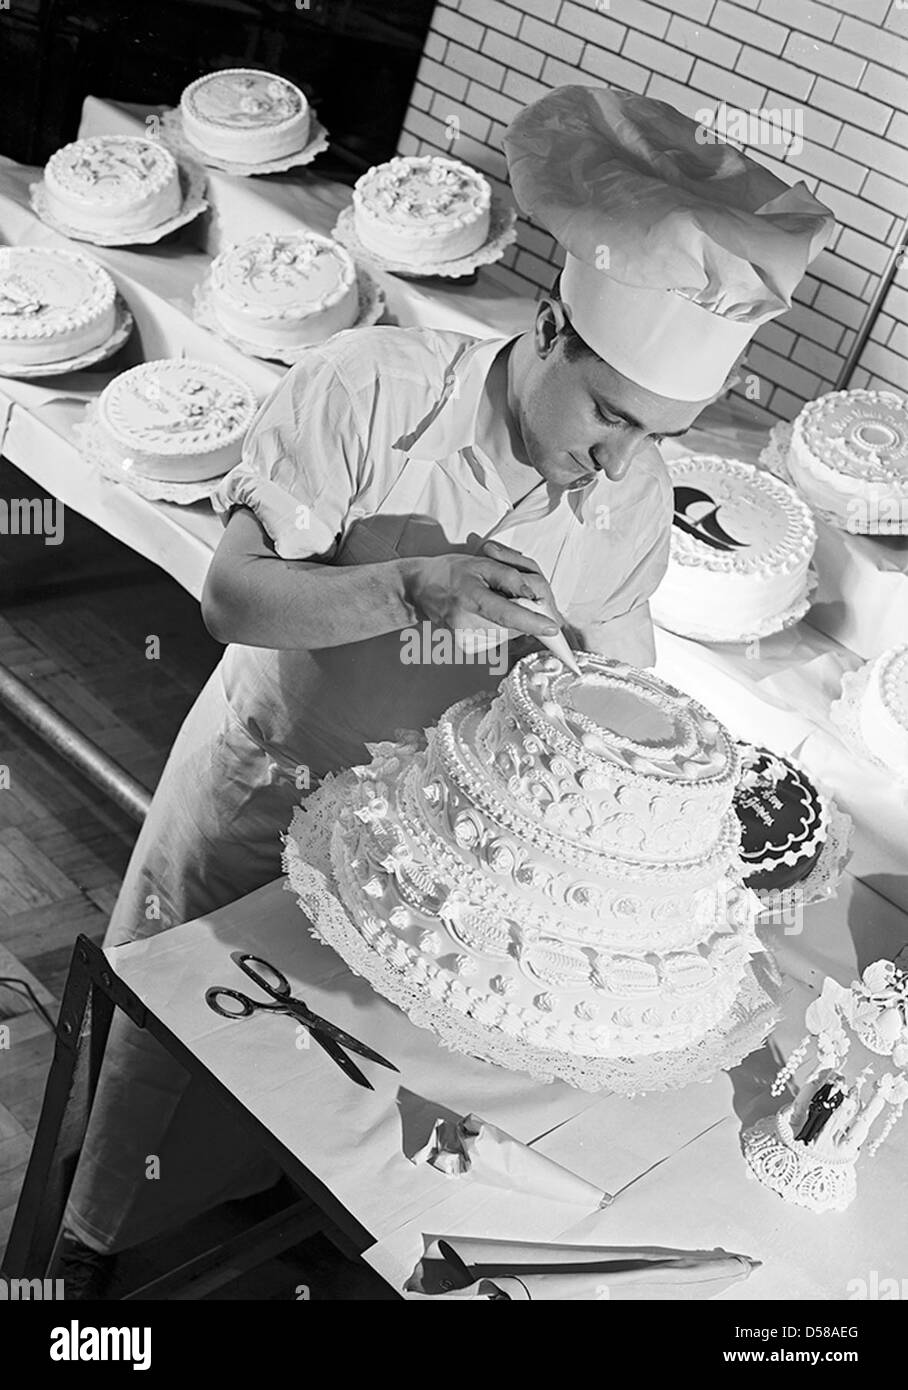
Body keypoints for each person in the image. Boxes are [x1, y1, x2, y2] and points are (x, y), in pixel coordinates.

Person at [57, 85, 832, 1294]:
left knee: (336, 1076)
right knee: (178, 1036)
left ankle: (271, 1211)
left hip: (434, 858)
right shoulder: (369, 387)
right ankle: (87, 1254)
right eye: (613, 419)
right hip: (268, 787)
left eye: (656, 436)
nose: (617, 463)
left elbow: (610, 680)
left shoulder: (629, 494)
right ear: (550, 333)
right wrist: (413, 588)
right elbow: (236, 599)